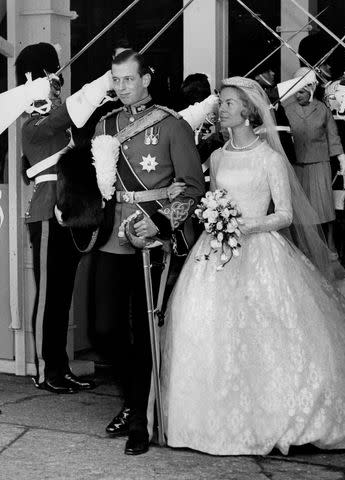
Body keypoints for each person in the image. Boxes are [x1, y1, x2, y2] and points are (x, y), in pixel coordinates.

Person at [161, 76, 345, 456]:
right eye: (222, 102)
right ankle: (211, 419)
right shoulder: (216, 157)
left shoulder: (269, 158)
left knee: (272, 333)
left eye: (230, 103)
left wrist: (248, 224)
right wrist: (213, 217)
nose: (222, 108)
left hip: (261, 251)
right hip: (216, 253)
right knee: (205, 327)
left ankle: (285, 418)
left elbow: (284, 215)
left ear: (249, 111)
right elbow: (211, 195)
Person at [91, 49, 205, 456]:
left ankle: (140, 415)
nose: (122, 87)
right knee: (103, 329)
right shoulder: (105, 124)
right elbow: (95, 182)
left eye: (128, 79)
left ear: (146, 79)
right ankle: (131, 399)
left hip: (150, 239)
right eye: (116, 80)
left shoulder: (172, 125)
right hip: (110, 237)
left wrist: (159, 222)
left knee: (144, 333)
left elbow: (192, 185)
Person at [15, 42, 114, 394]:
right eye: (48, 74)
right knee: (48, 297)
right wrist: (99, 85)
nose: (54, 81)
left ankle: (61, 367)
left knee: (62, 295)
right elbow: (67, 114)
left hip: (68, 210)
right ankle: (45, 370)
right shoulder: (31, 123)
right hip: (45, 213)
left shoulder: (55, 119)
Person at [284, 67, 345, 256]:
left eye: (302, 91)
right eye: (296, 91)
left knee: (322, 210)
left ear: (311, 88)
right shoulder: (286, 110)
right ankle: (300, 249)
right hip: (296, 165)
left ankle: (326, 248)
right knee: (299, 211)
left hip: (320, 164)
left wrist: (341, 158)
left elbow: (332, 137)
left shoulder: (323, 110)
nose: (298, 95)